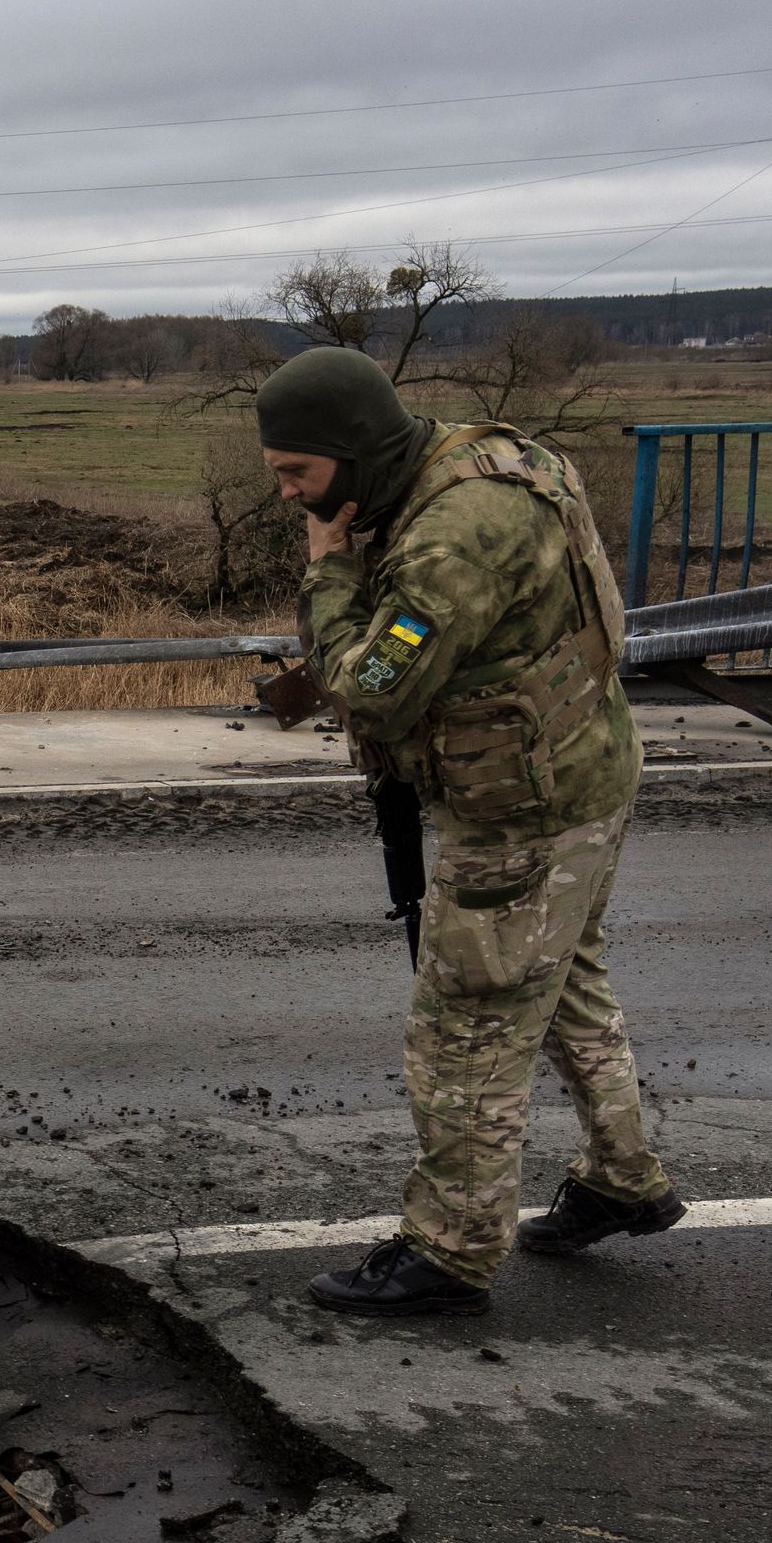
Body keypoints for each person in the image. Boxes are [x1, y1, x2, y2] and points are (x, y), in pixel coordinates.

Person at [256, 347, 687, 1315]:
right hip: (589, 766)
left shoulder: (449, 537)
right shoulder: (491, 456)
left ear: (357, 452)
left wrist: (327, 578)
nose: (290, 495)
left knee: (467, 1027)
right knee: (564, 983)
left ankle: (449, 1252)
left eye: (300, 474)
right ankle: (625, 1178)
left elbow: (373, 686)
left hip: (524, 812)